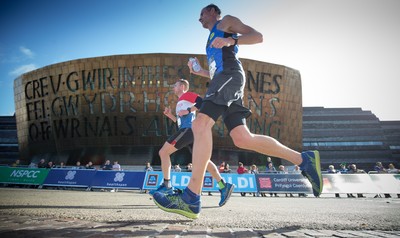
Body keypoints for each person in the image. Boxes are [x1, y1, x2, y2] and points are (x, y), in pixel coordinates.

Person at [152, 4, 323, 219]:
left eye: (202, 14)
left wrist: (231, 40)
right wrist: (200, 71)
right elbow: (217, 72)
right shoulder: (210, 41)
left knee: (200, 123)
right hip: (224, 79)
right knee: (243, 138)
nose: (199, 19)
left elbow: (258, 36)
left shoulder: (226, 22)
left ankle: (191, 197)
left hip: (230, 77)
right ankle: (303, 160)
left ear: (213, 11)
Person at [152, 79, 234, 207]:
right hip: (188, 132)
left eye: (176, 85)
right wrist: (170, 116)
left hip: (189, 130)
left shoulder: (187, 95)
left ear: (182, 86)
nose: (173, 87)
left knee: (163, 152)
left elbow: (202, 103)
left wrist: (189, 110)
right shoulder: (180, 102)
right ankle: (224, 186)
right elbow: (179, 122)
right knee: (204, 161)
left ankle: (167, 185)